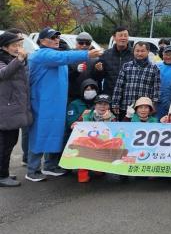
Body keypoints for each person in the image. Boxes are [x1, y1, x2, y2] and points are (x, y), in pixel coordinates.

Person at [26, 28, 102, 182]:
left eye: (57, 37)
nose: (56, 39)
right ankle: (32, 170)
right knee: (39, 134)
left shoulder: (55, 55)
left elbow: (63, 57)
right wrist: (86, 54)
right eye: (52, 37)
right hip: (42, 104)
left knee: (55, 134)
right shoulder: (42, 55)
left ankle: (50, 166)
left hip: (57, 104)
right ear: (42, 41)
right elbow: (64, 56)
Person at [0, 31, 31, 187]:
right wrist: (19, 60)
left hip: (13, 109)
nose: (18, 48)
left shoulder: (12, 59)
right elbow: (3, 74)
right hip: (6, 110)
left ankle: (3, 172)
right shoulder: (2, 60)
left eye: (19, 45)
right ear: (4, 47)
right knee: (4, 144)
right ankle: (1, 176)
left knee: (10, 142)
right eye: (14, 45)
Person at [70, 93, 116, 183]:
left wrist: (107, 120)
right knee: (84, 156)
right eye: (100, 104)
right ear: (95, 105)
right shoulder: (87, 114)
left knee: (100, 159)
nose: (102, 106)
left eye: (105, 104)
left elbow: (115, 131)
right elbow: (76, 124)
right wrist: (75, 124)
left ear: (109, 106)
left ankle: (98, 169)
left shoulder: (112, 117)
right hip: (87, 143)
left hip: (103, 143)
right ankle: (83, 175)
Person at [111, 41, 160, 121]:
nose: (139, 53)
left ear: (148, 51)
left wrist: (154, 104)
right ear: (133, 51)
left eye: (142, 51)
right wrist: (115, 103)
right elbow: (119, 86)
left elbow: (156, 88)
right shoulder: (126, 66)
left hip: (144, 108)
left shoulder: (154, 68)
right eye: (137, 51)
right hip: (126, 106)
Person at [94, 26, 133, 98]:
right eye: (120, 35)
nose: (123, 38)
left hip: (128, 95)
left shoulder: (135, 54)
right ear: (114, 37)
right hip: (110, 95)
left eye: (125, 35)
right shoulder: (106, 54)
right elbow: (98, 78)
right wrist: (99, 70)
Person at [67, 31, 98, 102]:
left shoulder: (95, 58)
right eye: (81, 43)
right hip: (73, 95)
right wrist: (76, 71)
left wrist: (99, 70)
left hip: (90, 94)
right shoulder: (70, 57)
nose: (84, 45)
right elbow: (66, 77)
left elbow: (98, 78)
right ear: (76, 43)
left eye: (87, 43)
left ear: (90, 45)